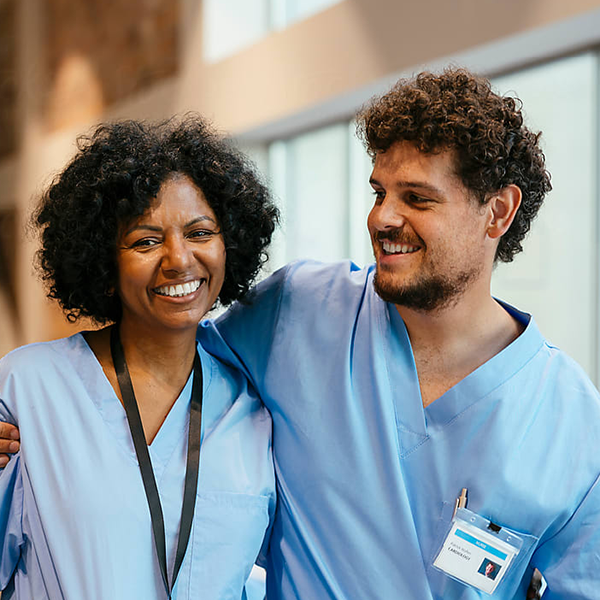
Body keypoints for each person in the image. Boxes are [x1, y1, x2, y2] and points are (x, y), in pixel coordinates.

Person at [3, 68, 600, 598]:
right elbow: (159, 355)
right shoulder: (302, 311)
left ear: (498, 212)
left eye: (416, 198)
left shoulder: (572, 424)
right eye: (378, 192)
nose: (382, 218)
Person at [0, 116, 277, 599]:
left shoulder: (252, 408)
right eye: (145, 241)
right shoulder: (30, 387)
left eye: (200, 232)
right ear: (105, 265)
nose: (178, 259)